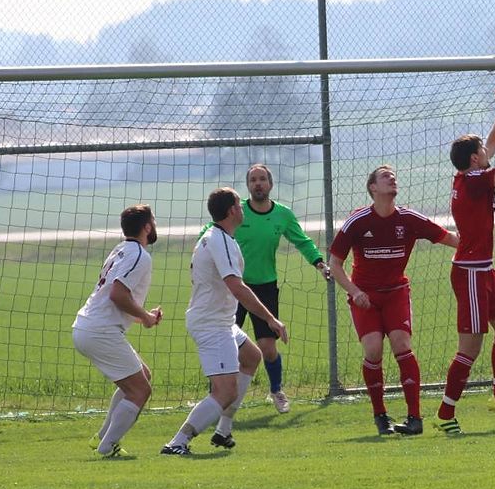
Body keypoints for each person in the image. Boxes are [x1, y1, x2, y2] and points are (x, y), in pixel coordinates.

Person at [329, 165, 458, 436]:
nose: (392, 179)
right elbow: (335, 264)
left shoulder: (409, 218)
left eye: (394, 176)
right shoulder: (358, 221)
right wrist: (355, 292)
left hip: (396, 292)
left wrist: (476, 245)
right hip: (365, 297)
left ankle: (415, 419)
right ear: (373, 187)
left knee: (402, 344)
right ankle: (380, 416)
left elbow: (448, 238)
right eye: (385, 176)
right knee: (373, 349)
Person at [162, 188, 288, 455]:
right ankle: (178, 442)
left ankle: (223, 430)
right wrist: (270, 319)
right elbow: (236, 286)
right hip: (212, 324)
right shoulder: (220, 240)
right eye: (239, 205)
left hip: (220, 321)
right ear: (232, 211)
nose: (243, 209)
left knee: (251, 356)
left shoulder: (218, 237)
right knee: (225, 391)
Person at [202, 163, 330, 414]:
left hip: (265, 287)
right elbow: (209, 231)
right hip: (234, 287)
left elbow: (302, 241)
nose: (258, 183)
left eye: (262, 179)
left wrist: (319, 263)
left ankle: (276, 390)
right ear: (248, 186)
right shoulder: (237, 213)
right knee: (225, 344)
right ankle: (216, 396)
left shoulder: (282, 214)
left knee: (268, 348)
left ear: (270, 184)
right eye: (253, 180)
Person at [437, 87, 495, 435]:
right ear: (475, 160)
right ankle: (445, 413)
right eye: (483, 153)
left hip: (484, 270)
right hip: (470, 273)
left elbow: (489, 144)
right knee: (470, 348)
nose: (488, 153)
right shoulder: (475, 180)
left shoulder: (469, 174)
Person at [72, 204, 163, 457]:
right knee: (140, 390)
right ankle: (108, 445)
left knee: (142, 375)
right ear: (147, 227)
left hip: (89, 326)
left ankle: (103, 436)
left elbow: (113, 299)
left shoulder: (120, 250)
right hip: (99, 330)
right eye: (154, 222)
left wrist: (144, 318)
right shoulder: (139, 255)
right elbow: (117, 295)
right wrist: (144, 316)